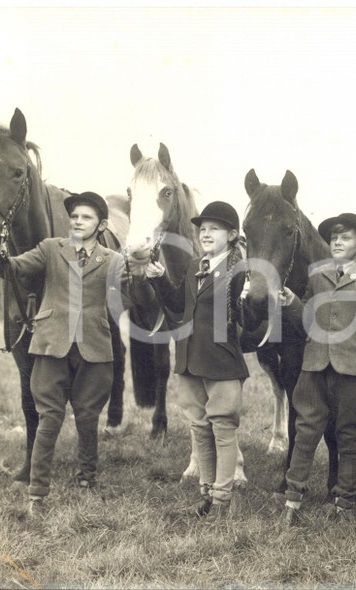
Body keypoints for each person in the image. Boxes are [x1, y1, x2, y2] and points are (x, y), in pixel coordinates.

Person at [0, 191, 151, 515]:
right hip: (52, 347)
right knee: (48, 418)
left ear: (101, 224)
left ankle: (87, 479)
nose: (78, 221)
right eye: (75, 216)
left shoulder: (113, 260)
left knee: (87, 417)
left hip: (94, 348)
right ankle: (37, 492)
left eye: (87, 217)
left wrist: (138, 275)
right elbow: (14, 268)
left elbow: (126, 302)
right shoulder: (51, 249)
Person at [143, 201, 248, 519]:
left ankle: (222, 499)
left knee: (223, 428)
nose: (205, 233)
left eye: (214, 228)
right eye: (202, 228)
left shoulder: (240, 271)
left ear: (231, 235)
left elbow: (249, 311)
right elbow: (178, 307)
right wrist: (160, 280)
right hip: (189, 358)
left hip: (220, 360)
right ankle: (206, 493)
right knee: (199, 428)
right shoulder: (193, 266)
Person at [278, 212, 356, 525]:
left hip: (355, 369)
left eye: (345, 237)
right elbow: (308, 321)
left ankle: (344, 504)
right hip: (315, 365)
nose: (337, 242)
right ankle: (292, 502)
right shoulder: (317, 276)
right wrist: (291, 302)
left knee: (348, 436)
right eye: (333, 237)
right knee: (305, 432)